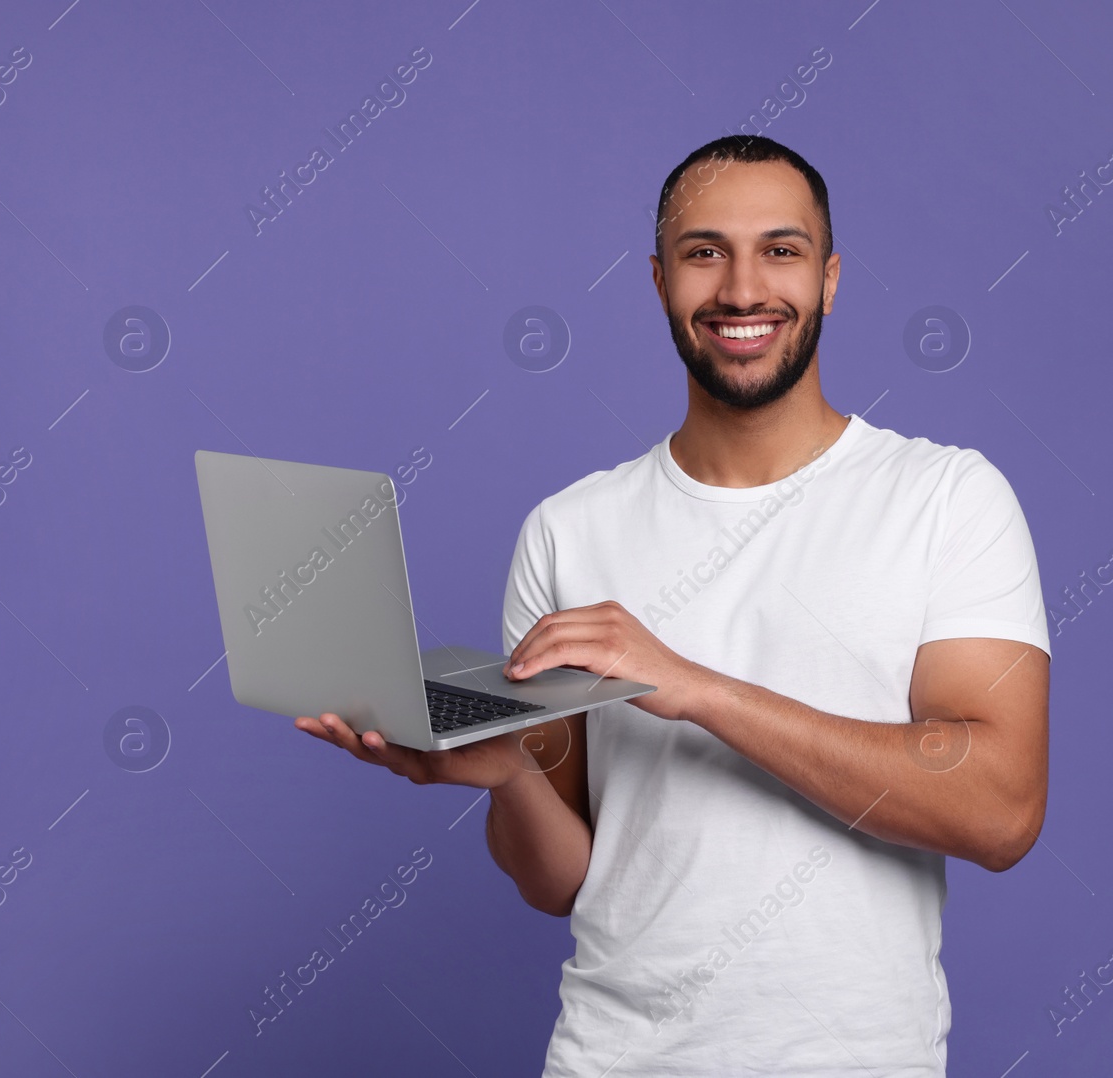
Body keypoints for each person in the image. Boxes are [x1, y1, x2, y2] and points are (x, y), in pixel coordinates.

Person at [296, 135, 1052, 1076]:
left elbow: (1001, 810)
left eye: (781, 250)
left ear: (830, 278)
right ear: (658, 280)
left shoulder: (945, 498)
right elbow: (561, 881)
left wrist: (699, 690)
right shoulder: (570, 530)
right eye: (705, 253)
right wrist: (508, 776)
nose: (742, 290)